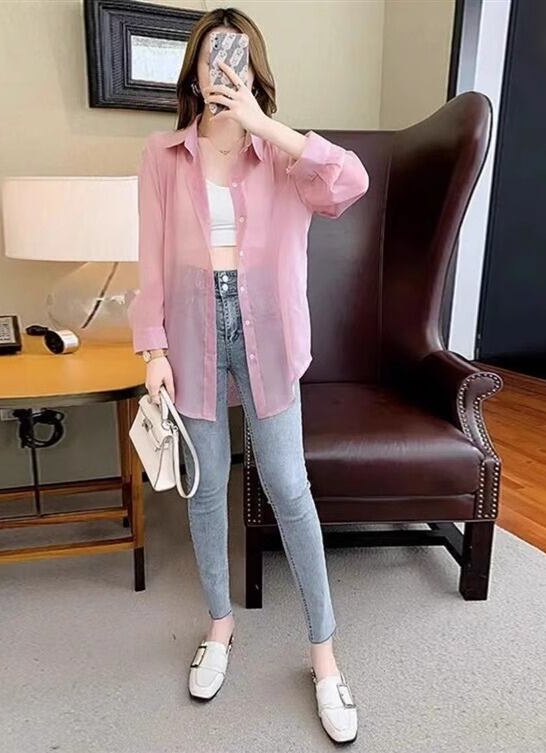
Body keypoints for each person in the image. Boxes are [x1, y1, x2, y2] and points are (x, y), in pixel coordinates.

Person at [128, 7, 369, 744]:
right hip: (192, 329)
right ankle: (220, 624)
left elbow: (351, 182)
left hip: (269, 328)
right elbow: (150, 262)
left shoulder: (286, 158)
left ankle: (324, 656)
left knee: (288, 485)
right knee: (207, 489)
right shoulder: (162, 156)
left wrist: (266, 125)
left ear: (254, 70)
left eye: (233, 58)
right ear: (193, 71)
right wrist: (152, 348)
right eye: (209, 58)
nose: (220, 71)